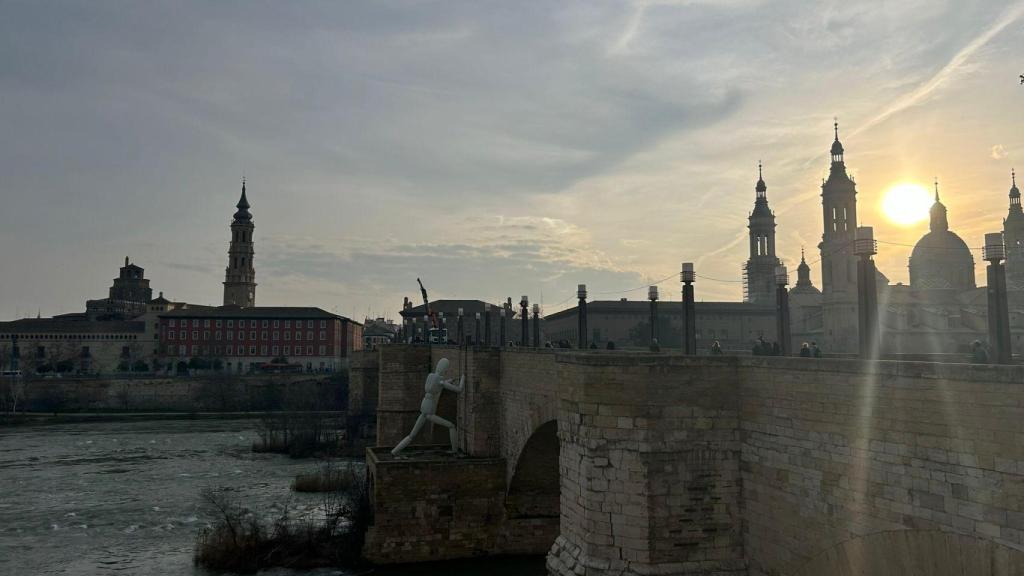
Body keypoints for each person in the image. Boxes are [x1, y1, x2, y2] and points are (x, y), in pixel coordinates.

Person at [391, 358, 464, 455]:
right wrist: (463, 378)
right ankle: (455, 451)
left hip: (424, 404)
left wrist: (448, 381)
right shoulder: (441, 381)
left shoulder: (430, 376)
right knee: (451, 426)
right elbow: (459, 390)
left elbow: (438, 384)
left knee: (412, 434)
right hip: (429, 409)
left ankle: (395, 451)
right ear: (445, 369)